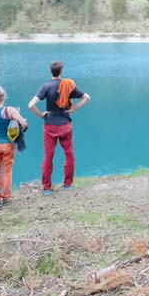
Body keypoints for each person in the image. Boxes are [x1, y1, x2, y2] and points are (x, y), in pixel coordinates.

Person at [29, 60, 91, 195]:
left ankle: (46, 188)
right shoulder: (68, 86)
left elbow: (31, 105)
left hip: (50, 125)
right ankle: (67, 184)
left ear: (50, 71)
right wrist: (73, 109)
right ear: (61, 72)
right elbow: (86, 97)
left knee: (48, 157)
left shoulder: (45, 86)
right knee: (69, 155)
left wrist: (41, 115)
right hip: (65, 125)